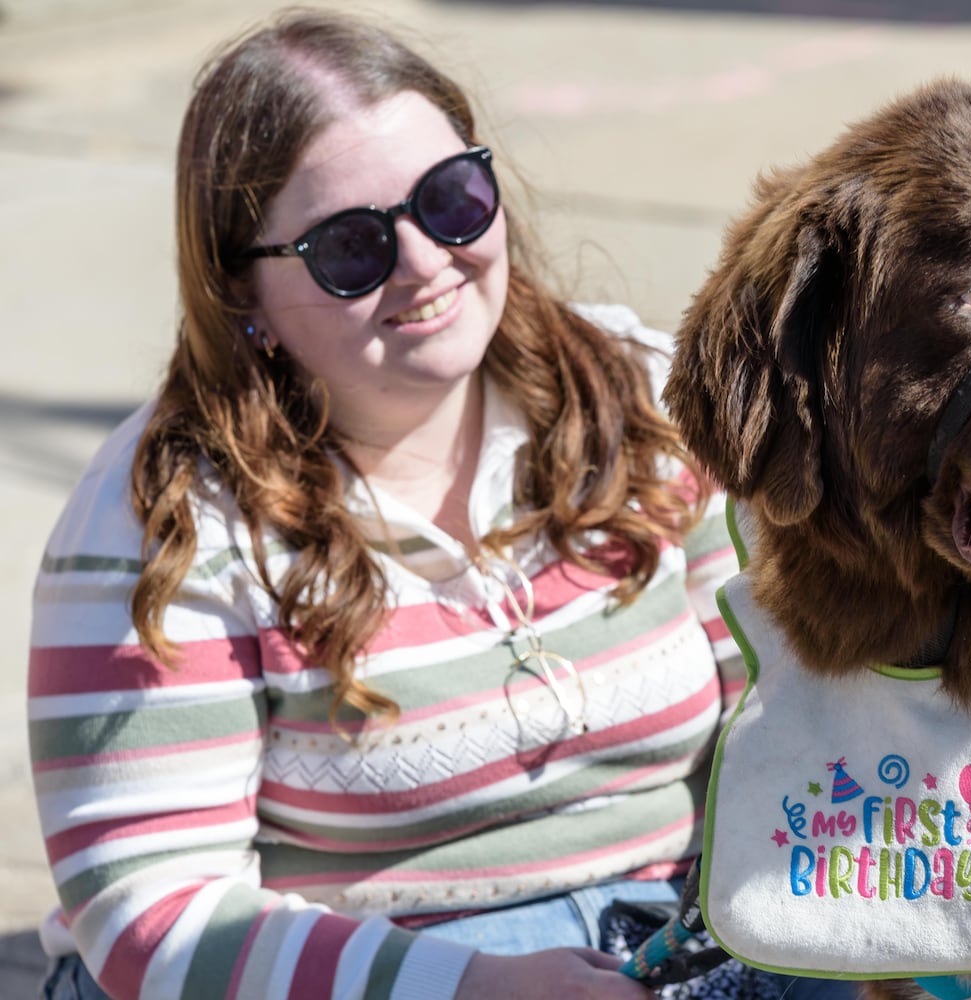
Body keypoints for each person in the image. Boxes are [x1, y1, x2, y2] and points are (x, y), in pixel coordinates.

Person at [27, 11, 858, 1000]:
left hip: (669, 941)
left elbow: (781, 704)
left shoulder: (634, 397)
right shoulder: (161, 523)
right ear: (237, 289)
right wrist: (470, 987)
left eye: (451, 200)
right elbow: (151, 914)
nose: (424, 262)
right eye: (349, 247)